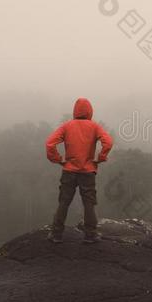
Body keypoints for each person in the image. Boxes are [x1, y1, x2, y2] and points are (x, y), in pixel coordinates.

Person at [45, 98, 113, 243]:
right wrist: (100, 158)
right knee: (89, 203)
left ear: (75, 111)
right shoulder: (95, 127)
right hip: (88, 171)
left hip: (69, 170)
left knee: (64, 202)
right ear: (90, 111)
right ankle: (90, 235)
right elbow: (108, 142)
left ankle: (56, 234)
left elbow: (50, 143)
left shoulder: (67, 126)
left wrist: (58, 159)